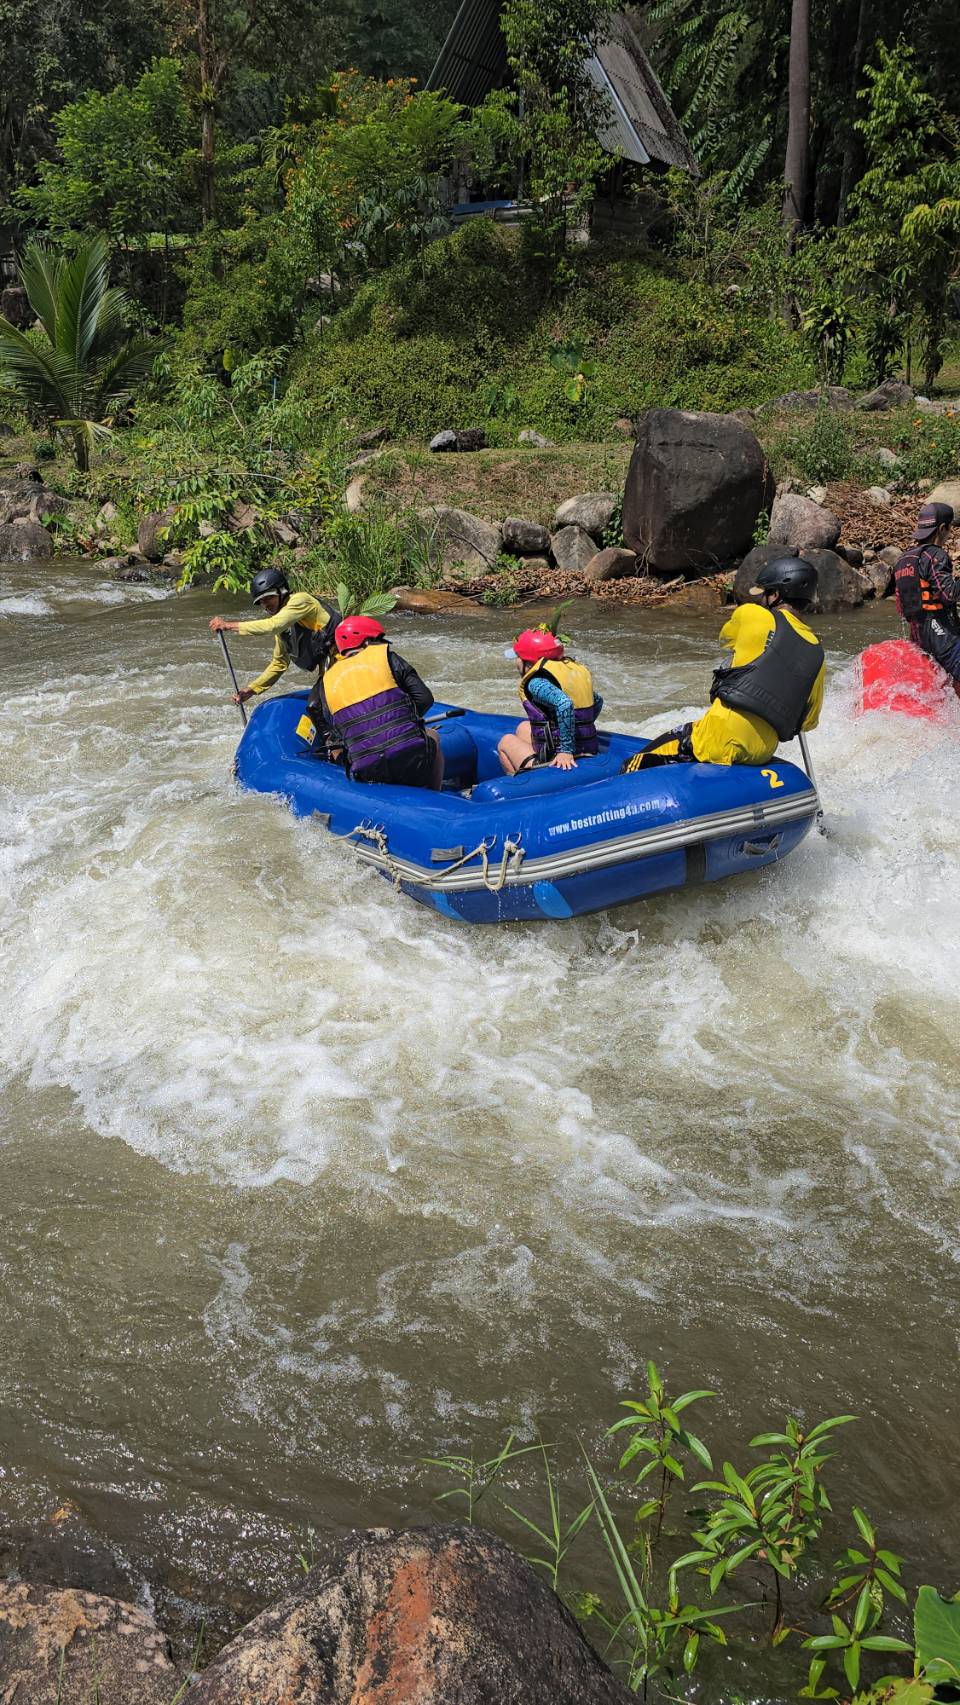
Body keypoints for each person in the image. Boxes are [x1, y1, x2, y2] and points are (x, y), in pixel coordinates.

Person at [622, 556, 825, 772]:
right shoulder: (817, 653)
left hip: (719, 739)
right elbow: (807, 722)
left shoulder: (752, 614)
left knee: (633, 765)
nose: (762, 600)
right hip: (761, 752)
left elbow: (726, 639)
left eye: (764, 594)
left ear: (775, 595)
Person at [309, 616, 443, 789]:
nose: (381, 646)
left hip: (367, 769)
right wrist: (404, 721)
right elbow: (424, 698)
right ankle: (435, 795)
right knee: (434, 736)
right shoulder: (389, 658)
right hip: (411, 758)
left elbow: (318, 711)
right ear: (367, 642)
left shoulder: (326, 682)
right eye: (378, 641)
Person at [208, 567, 338, 706]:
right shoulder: (283, 629)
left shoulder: (300, 600)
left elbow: (272, 625)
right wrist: (251, 690)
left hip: (343, 659)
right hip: (329, 669)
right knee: (314, 706)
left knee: (316, 706)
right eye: (261, 601)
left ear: (282, 592)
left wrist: (229, 625)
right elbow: (279, 663)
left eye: (269, 597)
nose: (266, 604)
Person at [498, 629, 602, 775]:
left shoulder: (536, 682)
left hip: (560, 756)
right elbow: (597, 701)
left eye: (518, 657)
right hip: (587, 747)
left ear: (528, 662)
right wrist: (580, 727)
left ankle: (521, 785)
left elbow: (564, 703)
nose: (516, 661)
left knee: (506, 741)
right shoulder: (564, 675)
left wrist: (566, 750)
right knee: (523, 727)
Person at [892, 501, 960, 681]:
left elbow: (900, 606)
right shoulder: (935, 555)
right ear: (943, 528)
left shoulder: (903, 560)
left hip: (919, 640)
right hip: (943, 639)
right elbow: (949, 595)